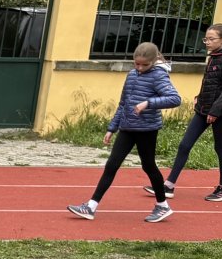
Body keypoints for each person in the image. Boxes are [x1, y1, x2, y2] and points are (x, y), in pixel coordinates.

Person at [67, 41, 181, 223]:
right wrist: (112, 128)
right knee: (111, 165)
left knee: (148, 166)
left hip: (146, 129)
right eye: (137, 64)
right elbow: (123, 104)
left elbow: (175, 99)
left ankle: (162, 205)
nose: (140, 67)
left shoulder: (159, 76)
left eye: (145, 65)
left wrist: (148, 103)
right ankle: (91, 206)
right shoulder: (131, 74)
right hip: (127, 127)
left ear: (154, 61)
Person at [149, 23, 222, 203]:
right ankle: (169, 185)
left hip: (221, 112)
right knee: (185, 145)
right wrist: (200, 97)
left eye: (211, 39)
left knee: (220, 147)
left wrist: (216, 110)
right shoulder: (214, 55)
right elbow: (211, 82)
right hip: (203, 109)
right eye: (206, 39)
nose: (207, 42)